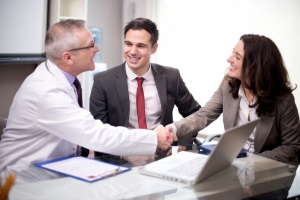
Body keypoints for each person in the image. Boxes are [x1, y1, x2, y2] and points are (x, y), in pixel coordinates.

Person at [0, 19, 177, 170]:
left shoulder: (59, 78)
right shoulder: (46, 91)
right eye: (91, 45)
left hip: (55, 169)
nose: (97, 48)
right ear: (68, 58)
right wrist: (154, 137)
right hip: (21, 178)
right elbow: (96, 134)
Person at [167, 34, 300, 164]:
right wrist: (172, 128)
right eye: (233, 53)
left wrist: (251, 160)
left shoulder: (283, 99)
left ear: (256, 65)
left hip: (268, 169)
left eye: (238, 57)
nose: (229, 59)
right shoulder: (228, 85)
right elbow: (203, 116)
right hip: (234, 162)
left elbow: (291, 146)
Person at [89, 18, 200, 164]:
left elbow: (195, 114)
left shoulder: (171, 77)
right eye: (128, 44)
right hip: (122, 160)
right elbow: (99, 134)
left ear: (154, 48)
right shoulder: (103, 81)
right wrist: (124, 156)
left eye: (140, 46)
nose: (133, 51)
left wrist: (181, 146)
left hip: (163, 159)